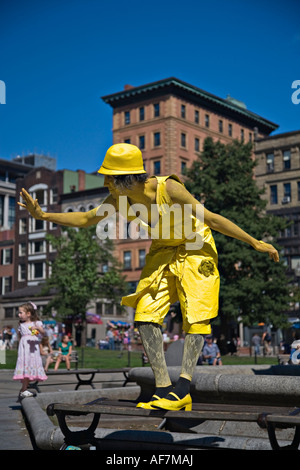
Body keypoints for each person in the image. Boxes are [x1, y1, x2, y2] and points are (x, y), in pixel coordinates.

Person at [18, 143, 279, 411]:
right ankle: (164, 387)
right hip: (163, 251)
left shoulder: (170, 189)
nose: (105, 181)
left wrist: (254, 242)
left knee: (197, 315)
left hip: (196, 248)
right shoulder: (120, 199)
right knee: (145, 315)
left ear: (126, 179)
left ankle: (183, 389)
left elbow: (210, 219)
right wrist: (43, 215)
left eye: (109, 176)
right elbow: (86, 218)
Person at [13, 302, 47, 398]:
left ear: (28, 314)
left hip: (33, 348)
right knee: (25, 365)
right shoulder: (21, 325)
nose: (19, 315)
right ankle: (23, 390)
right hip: (24, 348)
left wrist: (37, 328)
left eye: (20, 313)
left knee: (30, 365)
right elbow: (20, 337)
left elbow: (43, 333)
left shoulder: (36, 323)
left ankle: (23, 390)